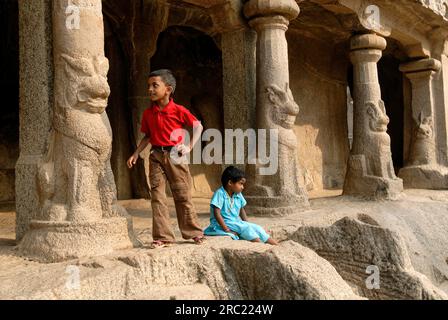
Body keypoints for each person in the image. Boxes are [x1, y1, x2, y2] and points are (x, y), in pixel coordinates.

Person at [127, 69, 206, 248]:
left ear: (168, 89)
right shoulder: (148, 113)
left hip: (175, 155)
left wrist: (188, 147)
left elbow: (198, 126)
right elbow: (147, 136)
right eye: (148, 86)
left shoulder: (179, 110)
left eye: (155, 85)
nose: (150, 89)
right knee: (157, 197)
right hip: (155, 155)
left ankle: (194, 232)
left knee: (182, 194)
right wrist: (136, 153)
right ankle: (163, 236)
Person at [204, 166, 278, 245]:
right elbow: (216, 213)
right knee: (246, 228)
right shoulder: (220, 193)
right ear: (230, 183)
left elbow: (241, 210)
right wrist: (226, 229)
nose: (242, 187)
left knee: (257, 228)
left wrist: (247, 223)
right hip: (221, 224)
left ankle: (276, 245)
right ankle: (261, 246)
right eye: (241, 184)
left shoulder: (238, 194)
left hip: (234, 222)